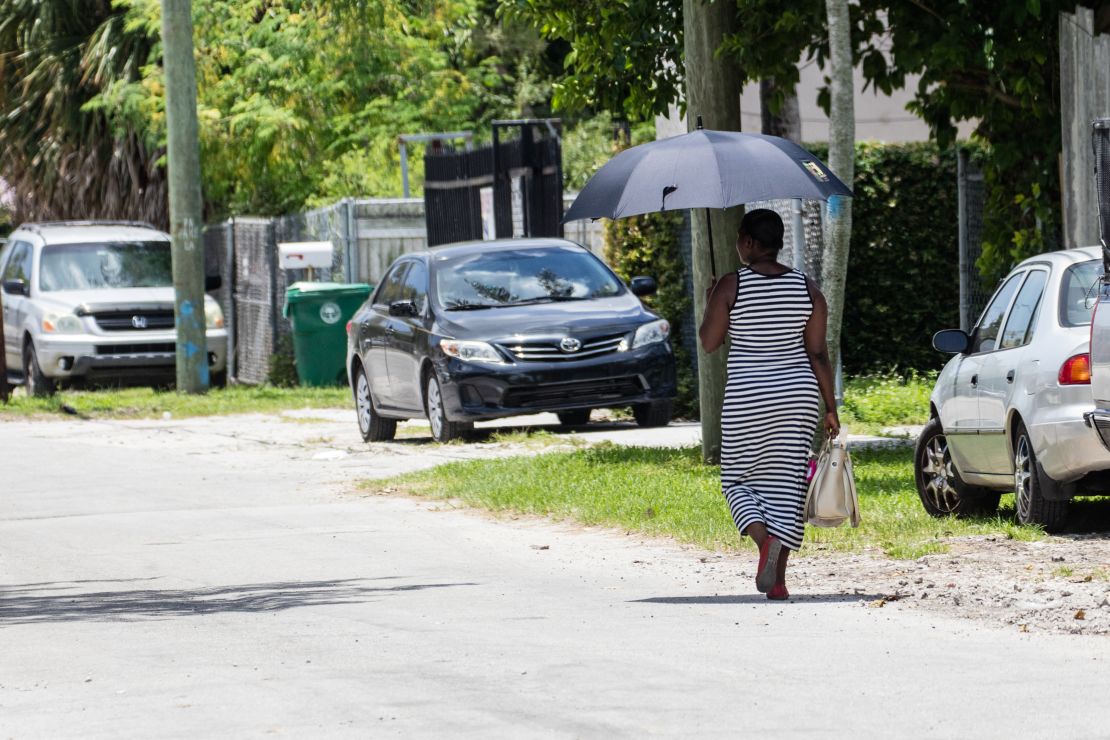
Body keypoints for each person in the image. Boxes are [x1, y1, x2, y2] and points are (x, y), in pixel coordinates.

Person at [698, 209, 839, 601]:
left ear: (747, 242)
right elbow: (818, 354)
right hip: (798, 397)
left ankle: (764, 542)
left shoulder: (732, 285)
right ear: (777, 243)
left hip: (748, 397)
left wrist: (712, 300)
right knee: (788, 486)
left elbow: (709, 342)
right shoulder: (808, 289)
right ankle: (777, 581)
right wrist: (830, 408)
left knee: (737, 480)